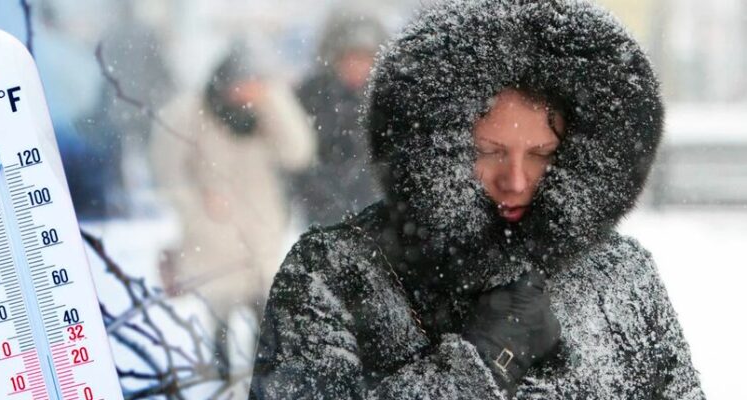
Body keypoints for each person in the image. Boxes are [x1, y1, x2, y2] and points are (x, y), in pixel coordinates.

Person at [250, 1, 705, 399]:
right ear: (438, 145)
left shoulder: (620, 274)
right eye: (488, 152)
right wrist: (480, 365)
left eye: (542, 154)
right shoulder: (334, 271)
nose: (515, 180)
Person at [150, 44, 315, 339]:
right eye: (240, 82)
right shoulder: (190, 112)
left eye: (253, 82)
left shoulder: (265, 111)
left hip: (261, 233)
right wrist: (197, 207)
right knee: (220, 324)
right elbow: (167, 171)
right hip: (213, 236)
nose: (245, 91)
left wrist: (273, 101)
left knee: (265, 323)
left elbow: (298, 152)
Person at [292, 7, 387, 227]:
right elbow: (297, 154)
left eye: (365, 58)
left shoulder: (389, 95)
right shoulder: (312, 96)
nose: (357, 66)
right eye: (350, 57)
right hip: (322, 212)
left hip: (376, 214)